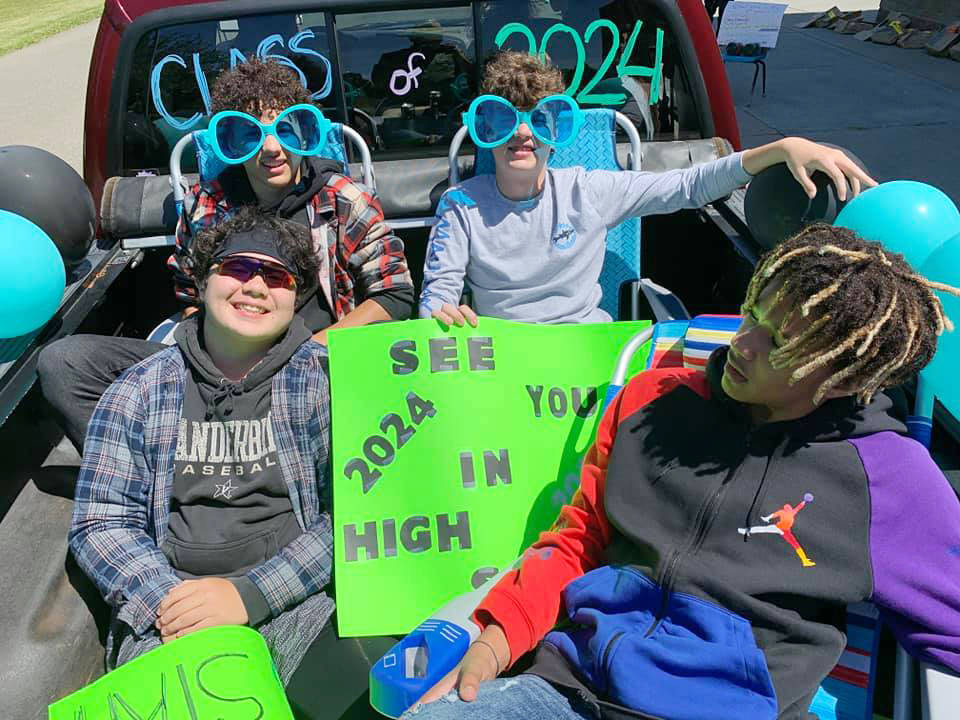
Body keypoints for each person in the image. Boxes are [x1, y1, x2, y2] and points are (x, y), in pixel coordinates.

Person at [406, 223, 960, 720]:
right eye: (753, 316)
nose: (742, 344)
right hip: (569, 687)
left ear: (838, 377)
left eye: (780, 343)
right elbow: (581, 539)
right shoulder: (652, 402)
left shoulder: (885, 480)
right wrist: (495, 639)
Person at [69, 209, 394, 720]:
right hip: (172, 615)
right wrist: (170, 602)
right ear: (202, 280)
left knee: (382, 702)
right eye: (238, 268)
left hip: (303, 599)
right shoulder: (136, 390)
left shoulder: (332, 382)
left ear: (296, 297)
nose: (256, 286)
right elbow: (101, 520)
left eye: (277, 276)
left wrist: (251, 595)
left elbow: (357, 513)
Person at [39, 59, 413, 453]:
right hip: (218, 366)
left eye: (285, 128)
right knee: (63, 363)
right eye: (250, 134)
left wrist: (314, 350)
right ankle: (148, 480)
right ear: (230, 142)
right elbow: (188, 294)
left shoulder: (342, 199)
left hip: (316, 367)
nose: (272, 148)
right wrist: (213, 364)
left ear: (305, 132)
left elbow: (397, 294)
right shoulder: (207, 204)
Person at [418, 51, 876, 327]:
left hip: (586, 353)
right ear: (485, 129)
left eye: (539, 119)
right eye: (502, 119)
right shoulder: (462, 206)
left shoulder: (587, 191)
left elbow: (686, 185)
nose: (522, 134)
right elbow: (436, 296)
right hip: (503, 361)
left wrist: (779, 148)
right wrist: (442, 314)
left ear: (558, 131)